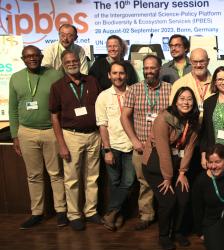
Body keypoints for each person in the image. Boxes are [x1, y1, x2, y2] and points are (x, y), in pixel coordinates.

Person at [9, 45, 67, 229]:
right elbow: (12, 109)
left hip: (51, 131)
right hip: (26, 132)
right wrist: (14, 135)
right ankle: (37, 213)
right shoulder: (16, 78)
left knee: (56, 174)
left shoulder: (55, 75)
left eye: (35, 55)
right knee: (33, 175)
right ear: (23, 59)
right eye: (28, 56)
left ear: (42, 57)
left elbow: (63, 103)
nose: (32, 58)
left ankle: (61, 211)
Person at [48, 50, 103, 230]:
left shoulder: (92, 81)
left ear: (79, 61)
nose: (72, 63)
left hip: (94, 135)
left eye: (74, 60)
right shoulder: (57, 87)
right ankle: (73, 214)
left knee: (92, 177)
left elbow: (101, 109)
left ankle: (91, 211)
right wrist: (61, 144)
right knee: (72, 178)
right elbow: (54, 117)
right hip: (71, 136)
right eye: (68, 61)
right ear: (63, 64)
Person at [142, 87, 200, 250]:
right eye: (182, 98)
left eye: (189, 99)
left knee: (183, 196)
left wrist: (182, 172)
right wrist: (168, 177)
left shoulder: (194, 120)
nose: (185, 102)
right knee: (168, 201)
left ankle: (178, 232)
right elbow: (163, 150)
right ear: (175, 101)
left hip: (177, 165)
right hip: (155, 165)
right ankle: (164, 236)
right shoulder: (163, 119)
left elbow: (189, 148)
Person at [121, 54, 172, 230]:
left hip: (164, 147)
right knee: (144, 183)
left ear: (160, 68)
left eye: (152, 68)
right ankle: (147, 215)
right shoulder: (133, 90)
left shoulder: (170, 89)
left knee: (166, 180)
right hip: (142, 146)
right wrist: (134, 140)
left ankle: (167, 214)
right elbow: (124, 117)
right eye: (146, 68)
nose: (149, 71)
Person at [95, 61, 135, 231]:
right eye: (115, 73)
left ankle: (110, 214)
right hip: (113, 146)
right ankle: (118, 215)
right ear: (109, 75)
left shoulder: (135, 92)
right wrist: (107, 150)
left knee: (128, 181)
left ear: (126, 75)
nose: (118, 76)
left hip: (132, 146)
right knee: (115, 182)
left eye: (121, 73)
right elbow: (102, 125)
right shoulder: (103, 96)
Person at [170, 48, 213, 116]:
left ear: (208, 61)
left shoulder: (217, 83)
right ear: (190, 62)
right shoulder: (179, 84)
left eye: (202, 61)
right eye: (195, 62)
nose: (198, 65)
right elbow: (173, 111)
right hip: (188, 125)